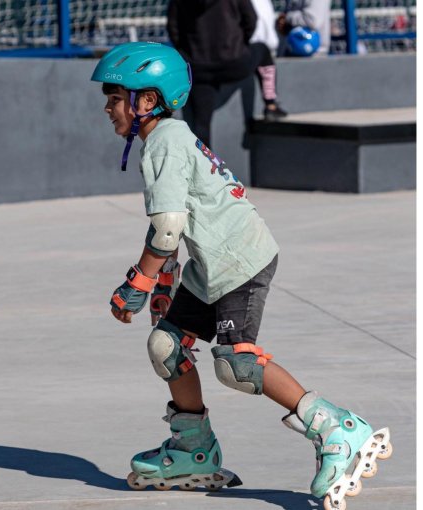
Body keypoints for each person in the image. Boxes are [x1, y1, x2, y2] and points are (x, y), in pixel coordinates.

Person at [91, 42, 391, 508]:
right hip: (212, 262)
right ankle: (195, 449)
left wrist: (139, 282)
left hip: (239, 261)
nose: (107, 107)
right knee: (167, 343)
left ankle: (339, 430)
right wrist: (166, 280)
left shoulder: (163, 144)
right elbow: (180, 219)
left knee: (237, 363)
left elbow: (168, 228)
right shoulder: (169, 137)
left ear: (146, 100)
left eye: (114, 97)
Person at [167, 0, 287, 147]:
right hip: (234, 64)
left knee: (201, 125)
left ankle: (205, 167)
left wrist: (190, 52)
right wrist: (238, 45)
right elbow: (250, 19)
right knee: (263, 50)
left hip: (199, 69)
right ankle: (270, 105)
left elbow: (173, 28)